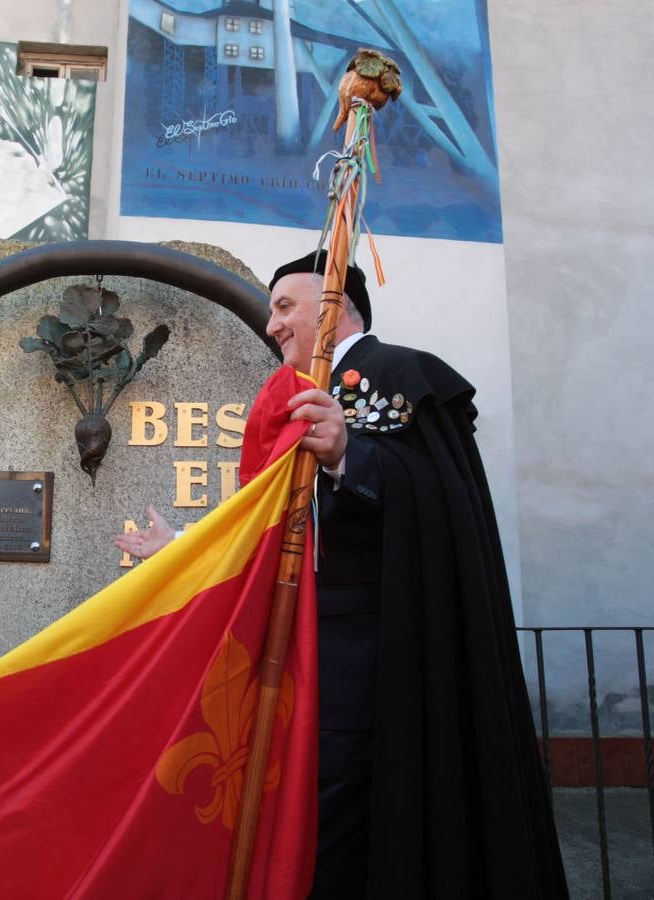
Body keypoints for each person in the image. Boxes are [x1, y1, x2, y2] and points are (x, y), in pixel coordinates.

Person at [115, 251, 567, 898]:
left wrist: (351, 456)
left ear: (335, 305)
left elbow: (441, 501)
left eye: (285, 307)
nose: (271, 325)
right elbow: (272, 525)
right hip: (299, 666)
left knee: (347, 837)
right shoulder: (294, 398)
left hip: (375, 666)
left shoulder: (402, 373)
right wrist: (184, 548)